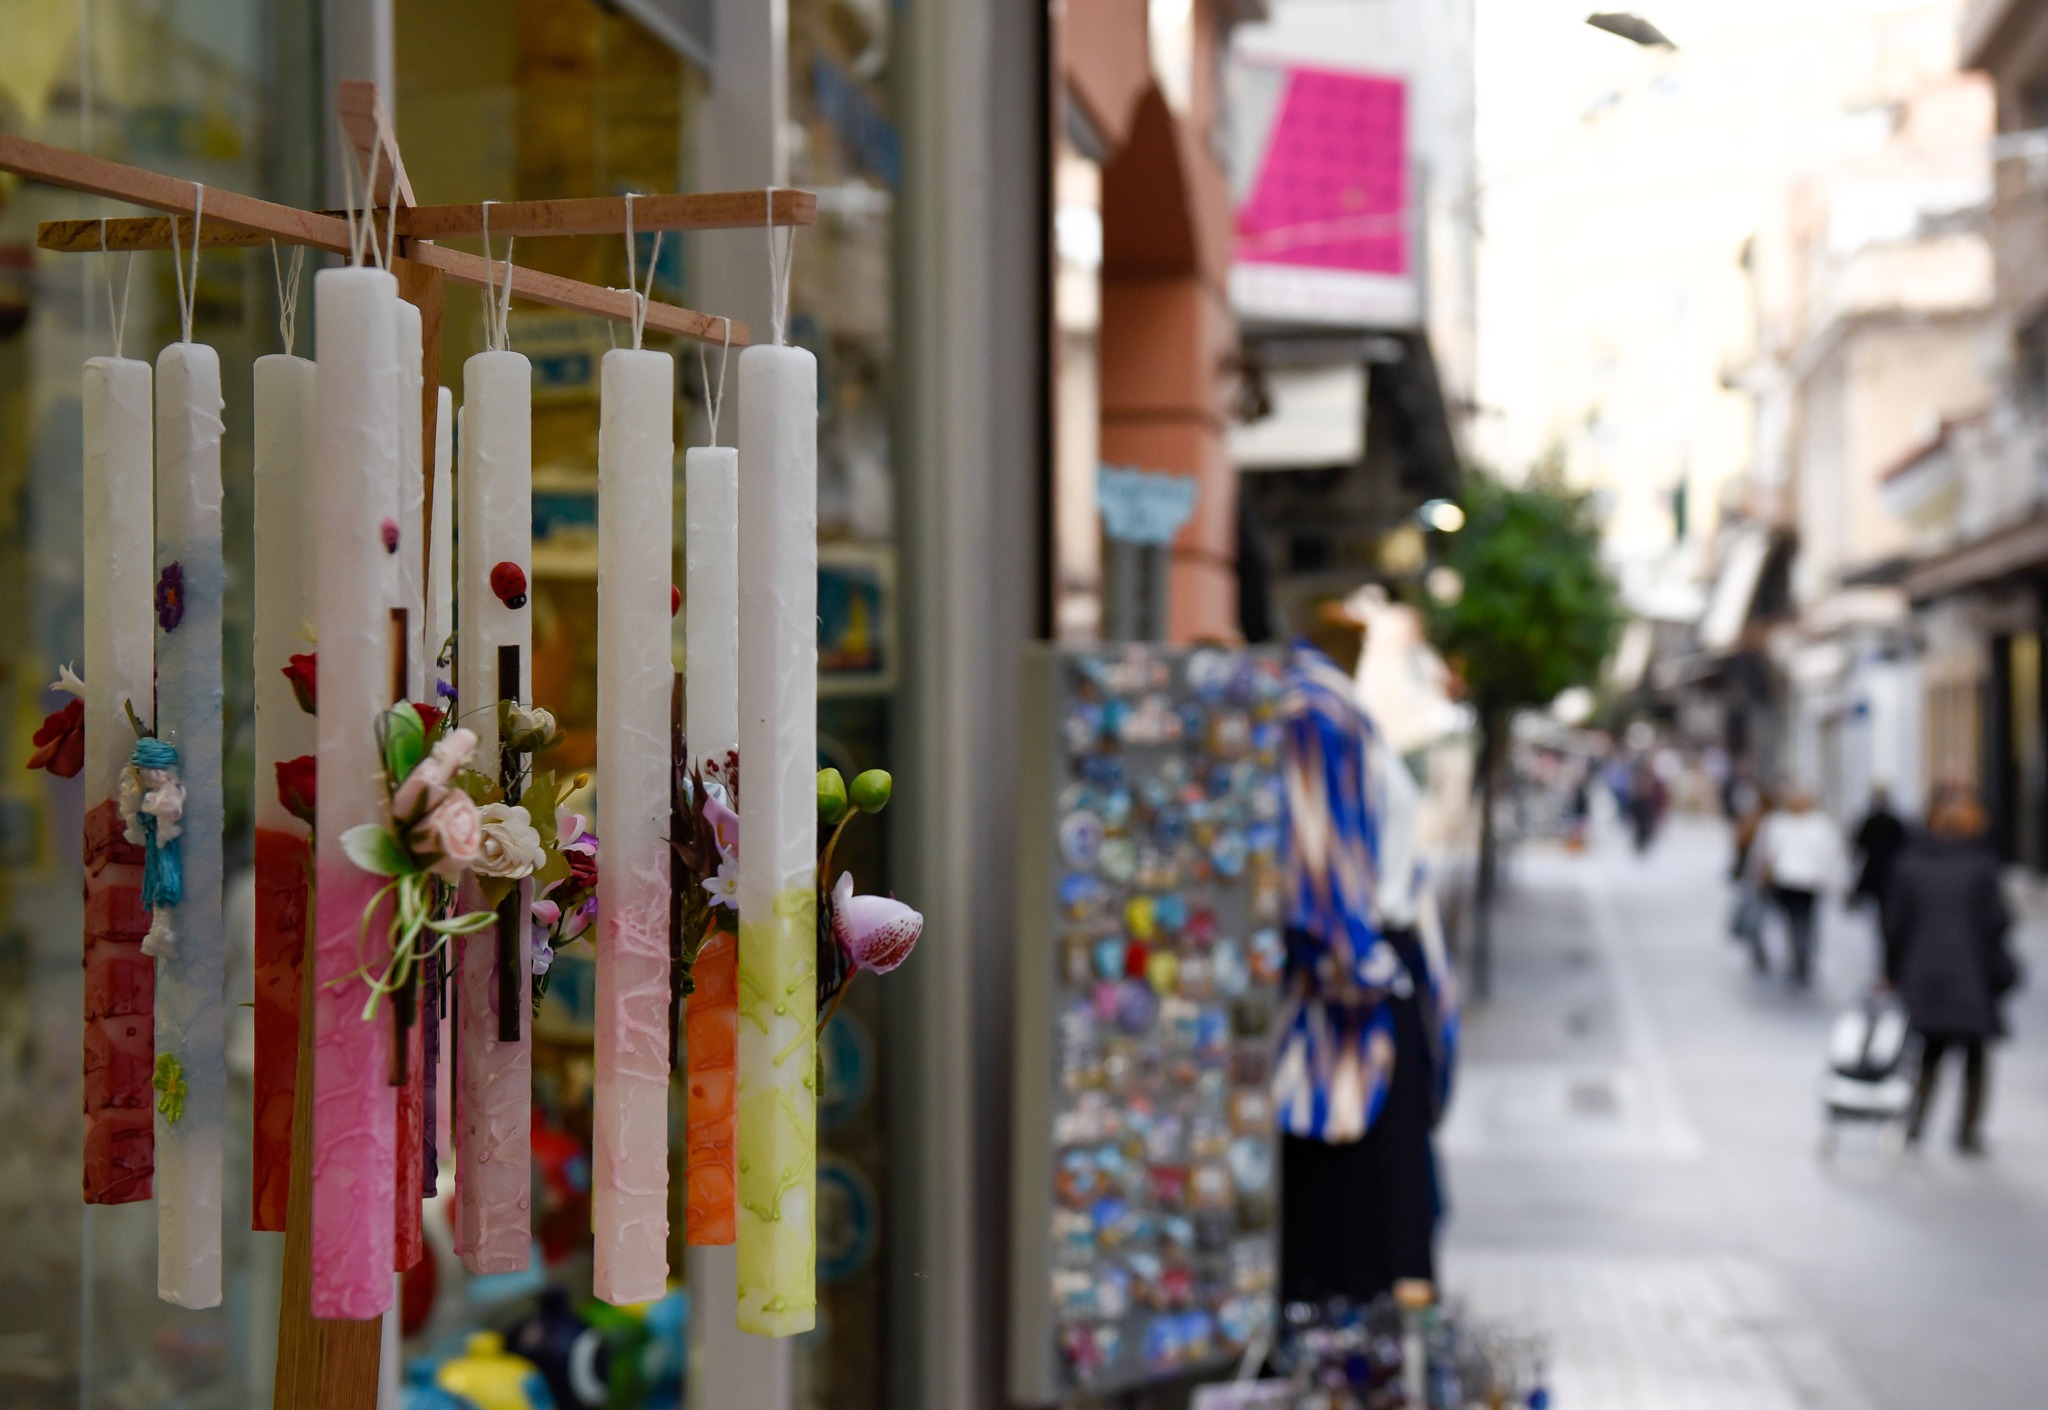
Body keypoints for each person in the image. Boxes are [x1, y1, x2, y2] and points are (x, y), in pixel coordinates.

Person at [1885, 789, 2021, 1154]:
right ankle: (1967, 1131)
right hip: (1972, 975)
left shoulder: (1910, 865)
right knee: (1975, 1057)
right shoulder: (1982, 868)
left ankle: (1916, 1124)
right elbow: (1998, 923)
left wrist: (1893, 972)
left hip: (1923, 974)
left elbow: (1894, 926)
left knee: (1928, 1053)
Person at [1750, 789, 1844, 985]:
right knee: (1794, 921)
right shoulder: (1778, 823)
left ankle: (1803, 958)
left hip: (1809, 883)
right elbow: (1765, 851)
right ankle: (1800, 957)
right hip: (1786, 882)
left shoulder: (1819, 825)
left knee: (1805, 922)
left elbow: (1831, 854)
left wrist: (1833, 879)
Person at [1851, 786, 1909, 932]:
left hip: (1879, 869)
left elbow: (1859, 843)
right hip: (1888, 870)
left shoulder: (1872, 821)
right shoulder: (1891, 822)